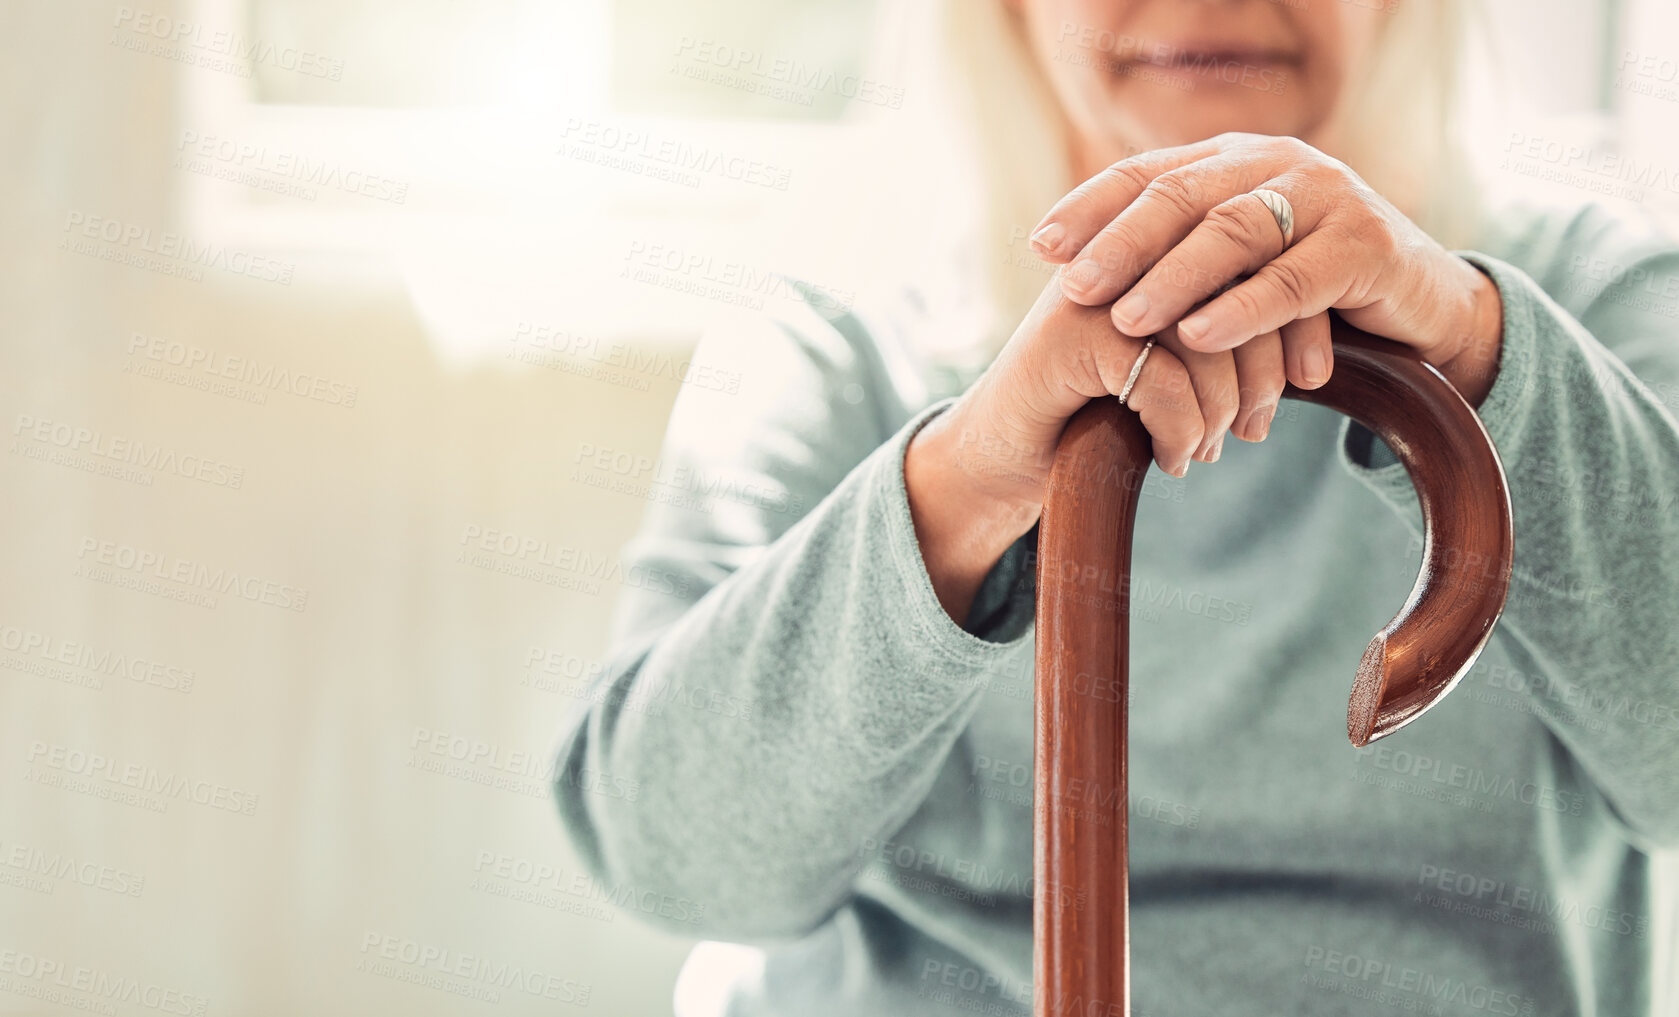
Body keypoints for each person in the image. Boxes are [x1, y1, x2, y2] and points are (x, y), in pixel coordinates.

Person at [549, 0, 1679, 1014]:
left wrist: (1477, 347)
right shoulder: (839, 328)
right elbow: (671, 855)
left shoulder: (1596, 295)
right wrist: (966, 477)